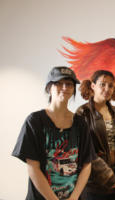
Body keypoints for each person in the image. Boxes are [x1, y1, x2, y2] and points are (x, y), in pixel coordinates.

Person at [12, 66, 96, 200]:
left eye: (69, 84)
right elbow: (33, 167)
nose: (64, 87)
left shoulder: (80, 123)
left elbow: (87, 164)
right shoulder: (34, 121)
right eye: (58, 83)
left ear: (73, 89)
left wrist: (73, 198)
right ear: (49, 88)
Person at [76, 70, 115, 200]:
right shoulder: (82, 113)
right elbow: (85, 151)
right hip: (94, 186)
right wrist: (109, 178)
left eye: (110, 85)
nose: (107, 89)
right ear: (93, 86)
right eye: (102, 84)